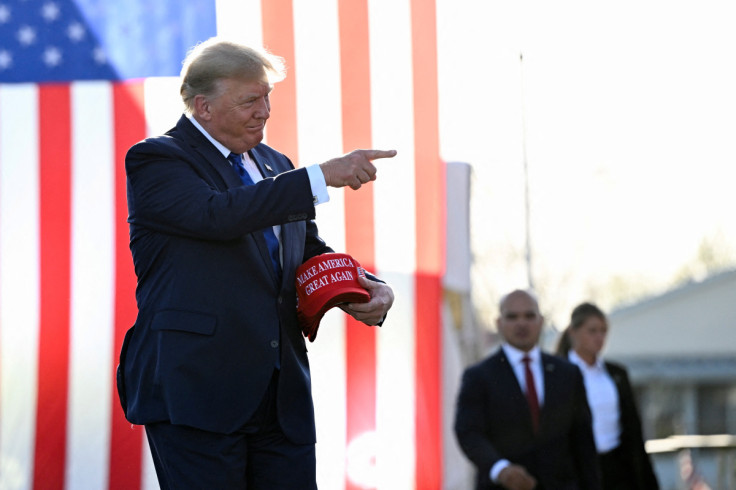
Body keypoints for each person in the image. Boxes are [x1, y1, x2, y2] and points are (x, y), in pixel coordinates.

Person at [115, 37, 395, 489]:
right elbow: (216, 215)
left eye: (267, 97)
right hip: (197, 394)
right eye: (250, 100)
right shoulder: (157, 159)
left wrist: (364, 286)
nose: (265, 111)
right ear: (203, 107)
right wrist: (319, 176)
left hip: (281, 399)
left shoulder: (273, 163)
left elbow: (304, 250)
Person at [454, 289, 601, 490]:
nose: (521, 323)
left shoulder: (567, 373)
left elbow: (583, 442)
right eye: (512, 316)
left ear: (540, 321)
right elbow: (468, 432)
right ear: (499, 323)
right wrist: (501, 469)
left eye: (529, 316)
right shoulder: (479, 376)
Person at [556, 302, 659, 490]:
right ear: (573, 331)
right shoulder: (556, 374)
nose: (599, 337)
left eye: (603, 331)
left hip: (618, 468)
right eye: (592, 331)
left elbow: (633, 429)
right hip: (578, 471)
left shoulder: (616, 373)